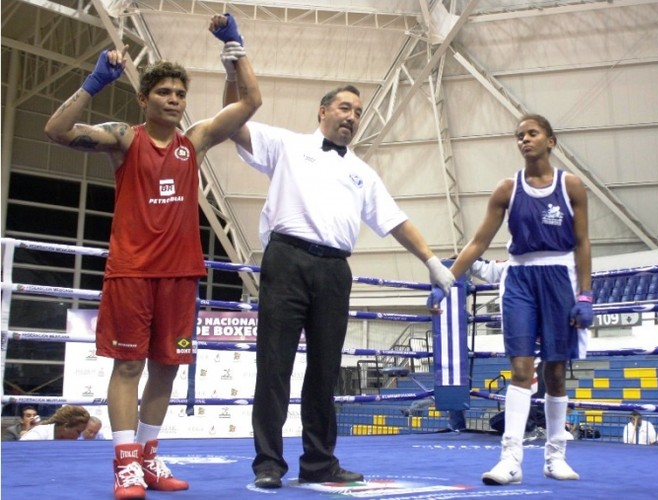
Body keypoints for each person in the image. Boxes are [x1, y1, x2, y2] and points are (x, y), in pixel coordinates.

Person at [215, 27, 456, 491]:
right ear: (323, 111)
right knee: (274, 366)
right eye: (344, 107)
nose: (351, 117)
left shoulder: (362, 173)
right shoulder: (287, 145)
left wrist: (430, 260)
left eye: (358, 112)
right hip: (286, 260)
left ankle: (319, 463)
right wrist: (232, 66)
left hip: (334, 271)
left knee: (326, 371)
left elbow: (396, 220)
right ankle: (268, 463)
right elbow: (233, 119)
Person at [44, 13, 260, 499]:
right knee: (127, 367)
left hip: (181, 274)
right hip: (132, 271)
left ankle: (147, 457)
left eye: (180, 95)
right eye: (164, 93)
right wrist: (95, 81)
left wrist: (235, 44)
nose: (174, 101)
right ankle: (124, 466)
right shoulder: (124, 137)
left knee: (166, 366)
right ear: (144, 99)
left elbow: (250, 102)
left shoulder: (195, 141)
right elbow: (57, 130)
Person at [428, 114, 592, 485]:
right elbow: (479, 243)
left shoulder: (572, 186)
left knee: (554, 372)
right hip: (519, 278)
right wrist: (446, 279)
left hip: (560, 277)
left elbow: (583, 242)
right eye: (519, 136)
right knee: (521, 369)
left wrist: (585, 293)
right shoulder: (507, 189)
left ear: (550, 140)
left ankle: (555, 457)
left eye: (532, 134)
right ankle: (510, 460)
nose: (524, 140)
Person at [20, 405, 90, 440]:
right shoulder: (38, 435)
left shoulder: (68, 443)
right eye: (78, 432)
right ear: (66, 427)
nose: (78, 437)